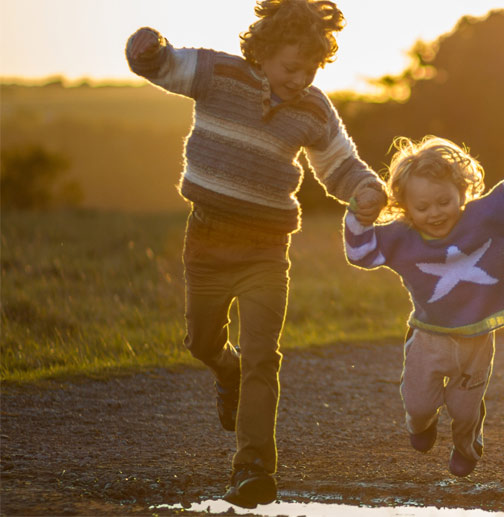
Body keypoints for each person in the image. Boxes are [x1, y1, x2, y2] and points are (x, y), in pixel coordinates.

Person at [125, 0, 386, 508]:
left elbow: (340, 166)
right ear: (262, 53)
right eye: (292, 67)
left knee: (264, 356)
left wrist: (366, 188)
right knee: (202, 342)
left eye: (311, 69)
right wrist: (147, 49)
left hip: (267, 249)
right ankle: (226, 369)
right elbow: (164, 65)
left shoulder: (313, 107)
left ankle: (252, 470)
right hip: (207, 239)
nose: (301, 77)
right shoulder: (219, 73)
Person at [343, 136, 504, 477]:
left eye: (444, 201)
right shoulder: (401, 237)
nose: (435, 213)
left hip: (477, 339)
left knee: (464, 409)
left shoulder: (485, 218)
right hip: (428, 337)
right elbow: (360, 253)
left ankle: (467, 445)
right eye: (422, 207)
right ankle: (421, 425)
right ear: (406, 207)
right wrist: (358, 215)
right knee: (418, 403)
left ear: (462, 192)